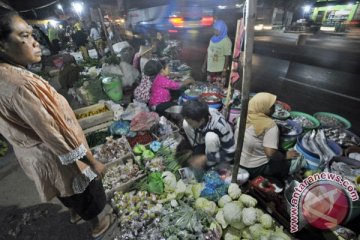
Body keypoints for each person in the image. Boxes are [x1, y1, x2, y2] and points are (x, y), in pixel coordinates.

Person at [0, 12, 113, 238]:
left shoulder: (6, 76)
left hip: (37, 156)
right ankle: (97, 226)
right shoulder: (21, 85)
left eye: (33, 35)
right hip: (57, 154)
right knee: (86, 191)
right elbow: (54, 134)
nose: (35, 42)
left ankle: (75, 214)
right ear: (2, 45)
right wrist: (91, 162)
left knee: (68, 192)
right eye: (24, 36)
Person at [238, 92, 299, 179]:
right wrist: (285, 156)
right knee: (293, 161)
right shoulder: (270, 126)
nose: (274, 109)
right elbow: (270, 153)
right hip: (255, 168)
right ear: (264, 108)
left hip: (238, 160)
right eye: (272, 106)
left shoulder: (243, 116)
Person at [181, 100, 236, 168]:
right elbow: (189, 123)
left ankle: (211, 165)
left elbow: (230, 154)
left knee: (210, 137)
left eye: (191, 123)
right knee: (185, 123)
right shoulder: (198, 115)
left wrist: (205, 158)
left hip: (220, 150)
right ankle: (197, 147)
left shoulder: (220, 126)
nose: (190, 125)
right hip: (203, 136)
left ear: (202, 120)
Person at [202, 20, 232, 88]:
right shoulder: (212, 39)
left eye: (216, 30)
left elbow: (227, 57)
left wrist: (224, 71)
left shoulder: (226, 41)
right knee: (210, 87)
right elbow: (208, 52)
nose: (214, 31)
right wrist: (204, 65)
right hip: (210, 69)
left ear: (222, 30)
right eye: (214, 29)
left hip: (219, 70)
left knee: (218, 88)